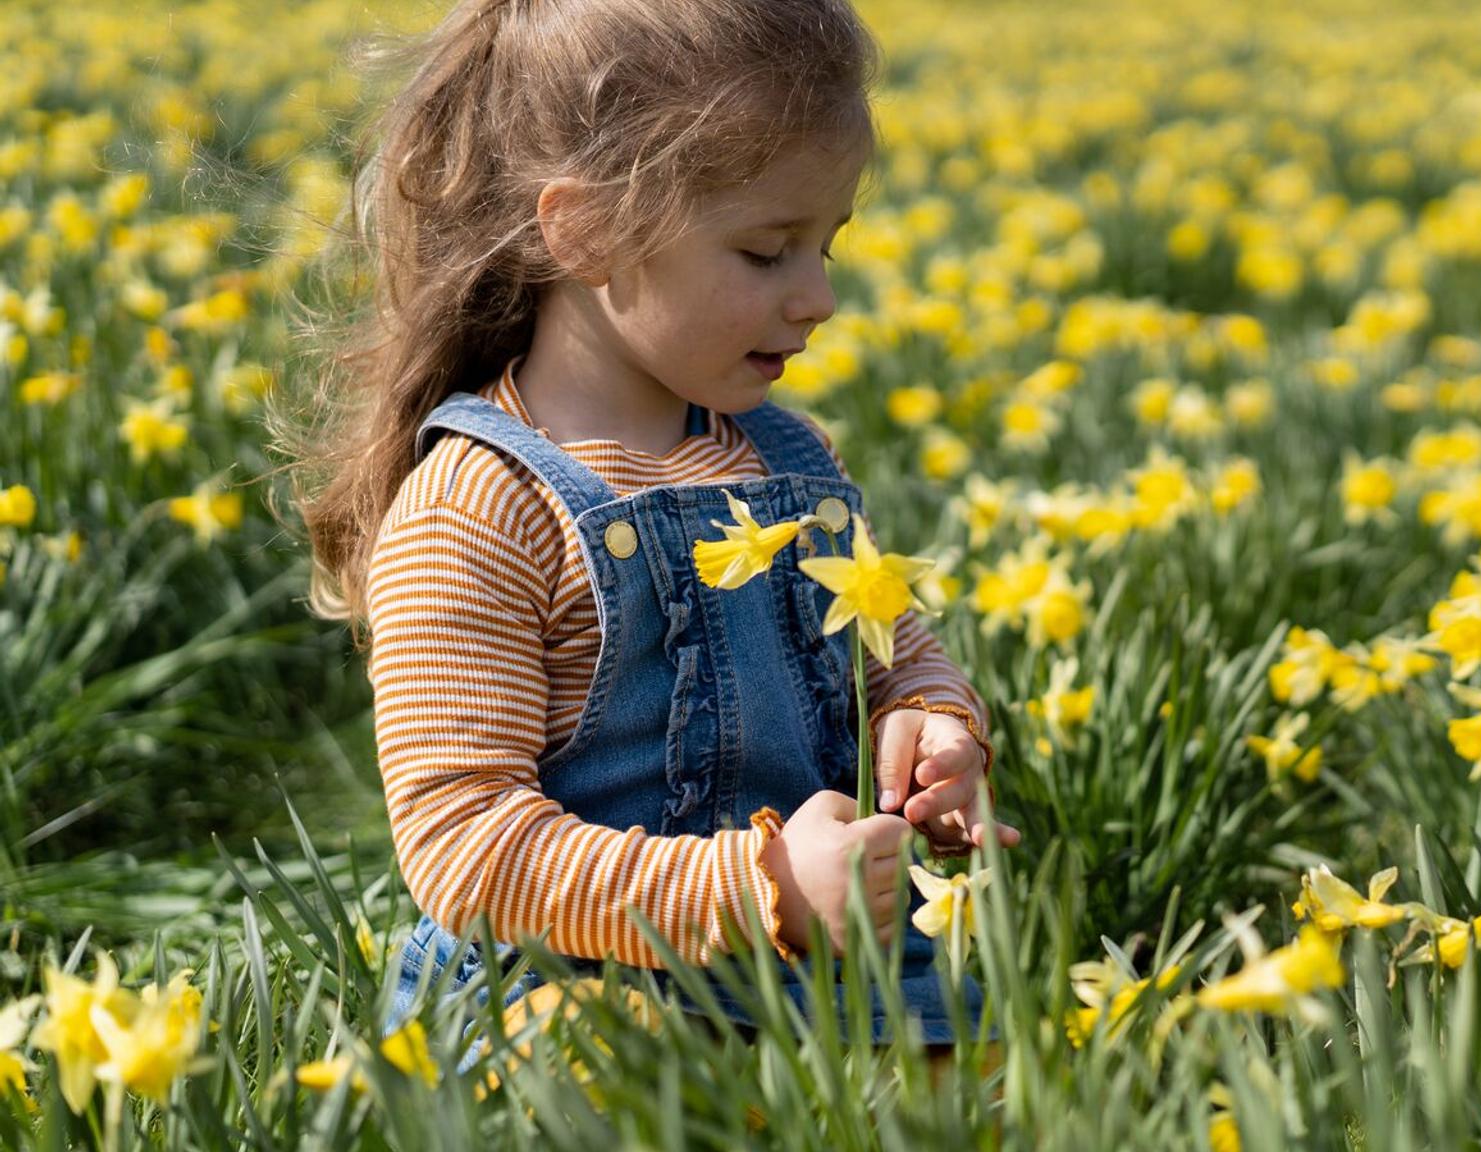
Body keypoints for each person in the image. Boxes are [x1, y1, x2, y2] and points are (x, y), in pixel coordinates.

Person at [274, 0, 1020, 1077]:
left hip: (823, 962)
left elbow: (891, 655)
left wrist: (931, 729)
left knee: (998, 1086)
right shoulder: (475, 511)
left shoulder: (789, 461)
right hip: (583, 980)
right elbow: (465, 852)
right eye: (767, 251)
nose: (818, 298)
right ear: (584, 231)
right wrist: (757, 890)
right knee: (606, 1083)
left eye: (826, 244)